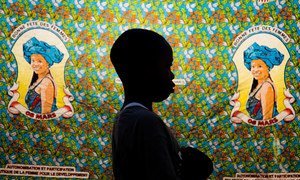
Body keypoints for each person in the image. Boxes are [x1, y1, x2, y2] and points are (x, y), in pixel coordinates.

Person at [110, 29, 182, 179]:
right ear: (146, 70)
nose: (172, 75)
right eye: (167, 66)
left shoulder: (126, 118)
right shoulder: (145, 121)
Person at [23, 37, 64, 114]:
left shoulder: (46, 82)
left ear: (48, 63)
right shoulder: (39, 79)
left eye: (39, 61)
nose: (35, 64)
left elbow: (45, 114)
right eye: (33, 61)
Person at [244, 42, 284, 120]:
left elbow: (267, 120)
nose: (255, 70)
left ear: (268, 68)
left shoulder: (266, 87)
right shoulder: (260, 84)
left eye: (260, 66)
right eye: (253, 66)